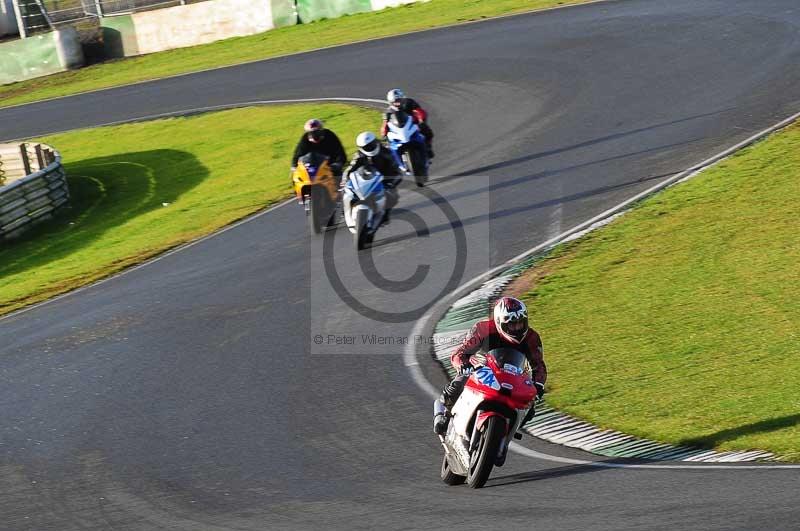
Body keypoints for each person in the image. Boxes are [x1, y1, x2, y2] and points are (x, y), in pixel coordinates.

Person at [433, 296, 547, 436]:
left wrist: (538, 384)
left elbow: (538, 365)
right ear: (499, 322)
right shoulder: (483, 329)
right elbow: (460, 353)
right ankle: (444, 413)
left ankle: (508, 432)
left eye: (520, 324)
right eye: (511, 325)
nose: (517, 329)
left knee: (530, 407)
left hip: (513, 376)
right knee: (459, 382)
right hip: (482, 370)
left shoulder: (532, 338)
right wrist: (463, 365)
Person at [343, 131, 403, 223]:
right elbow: (350, 169)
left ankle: (385, 216)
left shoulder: (386, 152)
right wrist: (345, 179)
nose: (370, 148)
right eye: (367, 147)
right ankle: (346, 210)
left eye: (372, 145)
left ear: (376, 142)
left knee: (393, 196)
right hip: (364, 180)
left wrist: (391, 183)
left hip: (383, 181)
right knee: (347, 190)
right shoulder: (359, 155)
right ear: (361, 148)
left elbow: (397, 172)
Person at [381, 89, 435, 159]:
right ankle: (394, 161)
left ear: (402, 98)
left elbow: (419, 111)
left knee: (427, 132)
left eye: (399, 100)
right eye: (395, 102)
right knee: (387, 146)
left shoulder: (409, 103)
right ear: (390, 102)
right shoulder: (388, 112)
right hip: (398, 131)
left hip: (412, 125)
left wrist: (421, 121)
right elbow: (385, 124)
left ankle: (428, 148)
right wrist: (384, 134)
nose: (397, 103)